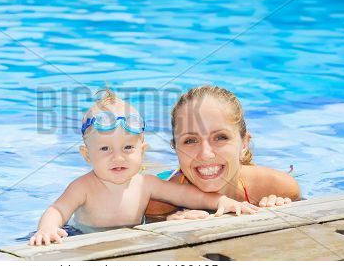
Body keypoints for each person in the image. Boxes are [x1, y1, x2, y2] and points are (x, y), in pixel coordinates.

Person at [29, 89, 258, 246]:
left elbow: (188, 195)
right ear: (87, 155)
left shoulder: (145, 185)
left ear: (143, 150)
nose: (117, 158)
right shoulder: (83, 187)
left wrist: (220, 202)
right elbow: (57, 210)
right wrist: (47, 229)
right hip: (82, 238)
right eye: (105, 149)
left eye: (127, 147)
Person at [146, 85, 301, 220]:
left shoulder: (278, 187)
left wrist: (278, 208)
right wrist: (167, 222)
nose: (205, 154)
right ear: (175, 148)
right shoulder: (160, 205)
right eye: (190, 140)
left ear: (244, 143)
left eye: (220, 137)